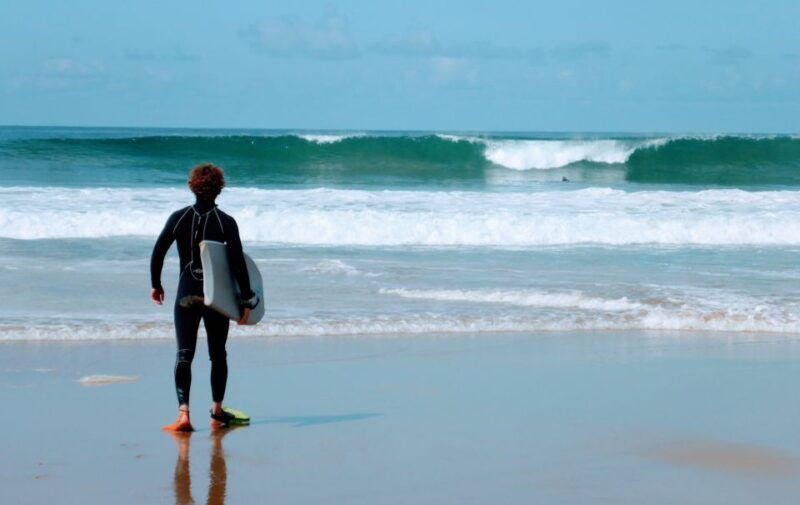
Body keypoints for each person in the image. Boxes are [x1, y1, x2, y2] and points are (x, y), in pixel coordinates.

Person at [150, 163, 259, 431]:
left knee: (184, 354)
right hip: (215, 298)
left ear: (192, 186)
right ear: (220, 189)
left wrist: (156, 284)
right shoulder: (226, 222)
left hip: (186, 294)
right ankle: (216, 412)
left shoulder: (178, 217)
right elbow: (237, 264)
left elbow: (158, 251)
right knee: (218, 354)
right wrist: (246, 301)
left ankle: (184, 415)